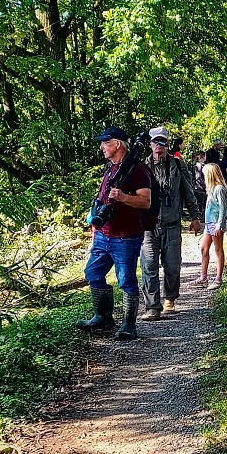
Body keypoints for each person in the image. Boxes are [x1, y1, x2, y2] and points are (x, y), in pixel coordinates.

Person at [78, 127, 151, 340]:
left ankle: (129, 325)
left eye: (105, 143)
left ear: (117, 144)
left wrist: (124, 198)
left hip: (126, 235)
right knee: (93, 273)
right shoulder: (111, 168)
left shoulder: (137, 170)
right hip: (104, 233)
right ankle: (103, 316)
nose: (102, 147)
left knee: (126, 280)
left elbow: (146, 202)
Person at [140, 127, 202, 321]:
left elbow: (188, 192)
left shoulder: (176, 164)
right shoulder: (142, 167)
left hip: (172, 223)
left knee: (173, 266)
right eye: (155, 143)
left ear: (167, 144)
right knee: (149, 265)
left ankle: (170, 299)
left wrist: (195, 217)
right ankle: (152, 306)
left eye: (162, 143)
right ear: (150, 145)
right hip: (148, 226)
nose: (159, 147)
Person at [190, 163, 227, 291]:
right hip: (209, 223)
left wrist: (219, 225)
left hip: (216, 224)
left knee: (218, 250)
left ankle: (218, 278)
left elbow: (223, 209)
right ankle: (203, 276)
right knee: (204, 248)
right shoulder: (211, 189)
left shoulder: (219, 189)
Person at [192, 150, 207, 219]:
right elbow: (198, 177)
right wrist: (205, 186)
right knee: (200, 204)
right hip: (199, 188)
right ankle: (199, 217)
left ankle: (200, 216)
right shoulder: (199, 166)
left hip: (198, 187)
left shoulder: (197, 165)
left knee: (200, 204)